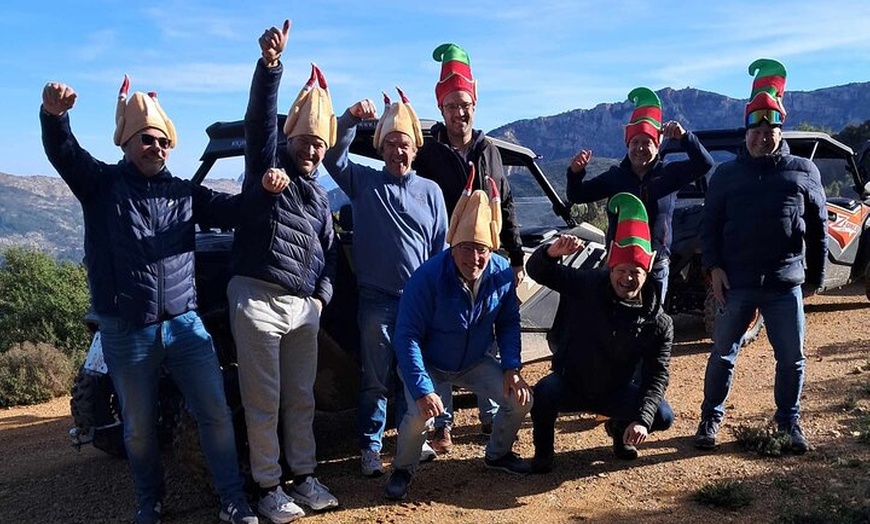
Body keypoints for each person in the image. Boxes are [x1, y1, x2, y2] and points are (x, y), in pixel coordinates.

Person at [39, 77, 285, 524]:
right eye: (148, 140)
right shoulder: (101, 186)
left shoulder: (182, 192)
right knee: (138, 429)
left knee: (214, 414)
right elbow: (65, 154)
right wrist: (55, 117)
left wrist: (265, 193)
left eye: (164, 141)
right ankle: (149, 501)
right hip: (126, 326)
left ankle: (233, 499)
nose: (157, 147)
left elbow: (234, 213)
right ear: (128, 143)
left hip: (185, 324)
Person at [227, 20, 339, 523]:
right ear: (289, 136)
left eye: (320, 143)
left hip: (302, 308)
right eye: (304, 140)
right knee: (263, 400)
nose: (311, 149)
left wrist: (320, 298)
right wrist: (271, 67)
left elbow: (329, 256)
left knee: (300, 398)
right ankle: (269, 487)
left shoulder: (320, 199)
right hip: (256, 296)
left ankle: (305, 477)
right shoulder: (267, 167)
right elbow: (256, 122)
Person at [694, 59, 828, 453]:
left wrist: (815, 279)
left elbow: (818, 230)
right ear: (747, 132)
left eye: (770, 129)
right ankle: (710, 418)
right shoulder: (726, 175)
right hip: (736, 284)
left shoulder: (802, 171)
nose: (762, 137)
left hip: (785, 285)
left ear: (780, 131)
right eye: (756, 129)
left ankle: (788, 422)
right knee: (722, 354)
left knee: (792, 360)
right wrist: (713, 267)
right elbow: (710, 225)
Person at [322, 90, 448, 478]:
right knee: (375, 381)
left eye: (404, 144)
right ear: (380, 148)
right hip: (375, 298)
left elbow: (439, 249)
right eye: (390, 144)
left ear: (415, 149)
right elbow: (331, 156)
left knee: (413, 378)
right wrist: (348, 118)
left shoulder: (431, 192)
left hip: (418, 301)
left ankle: (413, 442)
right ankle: (370, 448)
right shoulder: (363, 181)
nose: (398, 151)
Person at [385, 172, 534, 500]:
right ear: (453, 245)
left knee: (521, 400)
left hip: (472, 361)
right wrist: (423, 389)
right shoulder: (427, 277)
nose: (474, 258)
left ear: (490, 248)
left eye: (481, 249)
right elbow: (407, 336)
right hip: (429, 361)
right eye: (466, 248)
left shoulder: (501, 274)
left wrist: (511, 367)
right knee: (417, 417)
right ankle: (403, 468)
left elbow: (508, 323)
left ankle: (498, 455)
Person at [413, 42, 517, 452]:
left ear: (475, 105)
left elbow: (504, 203)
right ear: (442, 109)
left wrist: (516, 254)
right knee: (442, 342)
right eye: (453, 105)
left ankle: (491, 418)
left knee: (487, 337)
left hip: (486, 261)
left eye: (466, 104)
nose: (460, 112)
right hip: (442, 263)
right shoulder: (427, 153)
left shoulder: (489, 150)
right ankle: (442, 423)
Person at [527, 192, 674, 472]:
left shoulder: (659, 321)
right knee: (544, 393)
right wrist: (550, 253)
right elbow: (539, 271)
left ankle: (621, 429)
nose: (627, 278)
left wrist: (642, 419)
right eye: (621, 270)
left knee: (662, 416)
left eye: (636, 272)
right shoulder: (588, 285)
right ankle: (543, 454)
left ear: (647, 274)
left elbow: (657, 374)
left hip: (616, 391)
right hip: (571, 383)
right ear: (610, 267)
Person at [566, 87, 713, 303]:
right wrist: (575, 173)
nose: (640, 148)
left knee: (653, 320)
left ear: (657, 144)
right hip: (620, 265)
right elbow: (577, 195)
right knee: (617, 320)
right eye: (635, 142)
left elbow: (705, 163)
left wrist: (684, 137)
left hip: (656, 262)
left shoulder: (670, 174)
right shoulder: (615, 177)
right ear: (627, 145)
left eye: (647, 142)